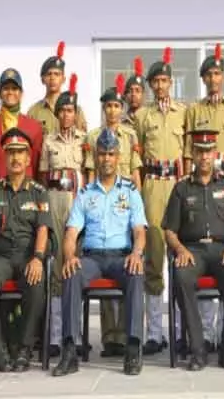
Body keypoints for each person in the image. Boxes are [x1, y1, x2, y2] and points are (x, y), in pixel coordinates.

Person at [52, 128, 147, 377]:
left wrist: (137, 253)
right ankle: (70, 349)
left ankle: (133, 347)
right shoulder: (85, 194)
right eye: (102, 154)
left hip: (121, 257)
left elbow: (140, 231)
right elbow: (71, 233)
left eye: (111, 154)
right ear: (96, 157)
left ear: (118, 157)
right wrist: (70, 256)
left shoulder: (130, 191)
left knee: (136, 274)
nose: (106, 159)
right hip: (92, 258)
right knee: (71, 274)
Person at [164, 129, 224, 371]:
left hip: (223, 250)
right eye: (199, 152)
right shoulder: (182, 188)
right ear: (192, 154)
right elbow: (169, 230)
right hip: (193, 251)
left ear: (215, 154)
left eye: (208, 152)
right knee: (182, 277)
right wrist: (180, 250)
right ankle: (198, 350)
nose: (204, 157)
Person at [0, 128, 53, 372]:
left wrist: (39, 258)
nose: (16, 158)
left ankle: (25, 349)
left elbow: (43, 229)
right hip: (2, 258)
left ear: (29, 159)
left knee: (37, 285)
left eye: (21, 153)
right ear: (5, 158)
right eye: (11, 153)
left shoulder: (39, 192)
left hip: (28, 257)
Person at [85, 74, 143, 356]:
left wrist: (137, 208)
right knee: (103, 260)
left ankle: (129, 335)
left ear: (122, 108)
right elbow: (88, 176)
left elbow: (135, 174)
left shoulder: (131, 136)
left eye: (116, 106)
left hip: (125, 205)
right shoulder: (93, 137)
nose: (112, 111)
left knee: (130, 267)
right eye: (107, 106)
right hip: (100, 207)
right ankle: (111, 337)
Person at [133, 48, 186, 355]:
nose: (161, 85)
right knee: (154, 258)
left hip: (177, 184)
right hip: (153, 185)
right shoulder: (143, 116)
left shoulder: (184, 112)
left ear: (171, 82)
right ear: (151, 84)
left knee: (180, 255)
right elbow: (137, 157)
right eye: (156, 81)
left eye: (165, 80)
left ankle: (181, 329)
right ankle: (155, 332)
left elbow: (190, 152)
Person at [37, 75, 85, 357]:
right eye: (62, 111)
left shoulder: (84, 140)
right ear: (57, 115)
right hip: (55, 199)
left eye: (71, 110)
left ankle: (75, 335)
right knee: (56, 264)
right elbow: (44, 177)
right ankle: (56, 335)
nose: (66, 115)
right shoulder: (48, 141)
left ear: (76, 114)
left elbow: (89, 175)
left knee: (75, 264)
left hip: (77, 201)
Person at [0, 68, 44, 187]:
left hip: (25, 194)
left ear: (21, 93)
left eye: (14, 88)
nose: (10, 92)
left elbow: (36, 164)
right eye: (6, 88)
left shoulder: (35, 127)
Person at [27, 41, 88, 136]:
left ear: (63, 79)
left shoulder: (76, 110)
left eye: (57, 74)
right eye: (49, 74)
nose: (52, 78)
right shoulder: (34, 112)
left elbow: (83, 141)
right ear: (42, 79)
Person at [123, 56, 145, 127]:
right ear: (126, 96)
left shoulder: (150, 120)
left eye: (137, 91)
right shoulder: (120, 122)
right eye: (130, 91)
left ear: (143, 95)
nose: (133, 94)